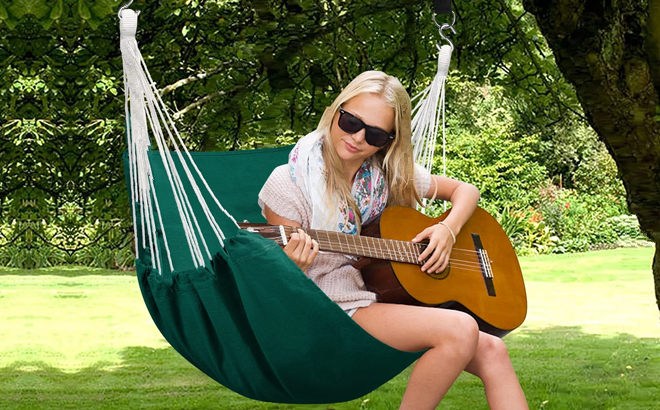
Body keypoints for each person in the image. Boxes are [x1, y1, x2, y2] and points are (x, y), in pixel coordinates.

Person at [257, 70, 528, 410]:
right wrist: (293, 265)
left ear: (389, 140)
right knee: (459, 328)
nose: (357, 138)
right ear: (336, 110)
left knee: (493, 350)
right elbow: (283, 287)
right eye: (351, 121)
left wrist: (447, 229)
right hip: (330, 307)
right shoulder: (288, 184)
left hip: (378, 295)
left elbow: (465, 191)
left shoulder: (386, 174)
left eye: (374, 134)